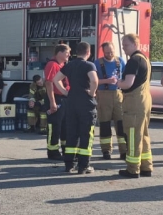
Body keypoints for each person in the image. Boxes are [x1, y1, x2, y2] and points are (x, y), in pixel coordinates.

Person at [55, 42, 98, 174]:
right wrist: (92, 93)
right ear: (88, 52)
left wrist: (65, 92)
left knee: (71, 133)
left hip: (71, 102)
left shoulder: (69, 65)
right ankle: (84, 166)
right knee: (86, 134)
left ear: (76, 52)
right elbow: (94, 80)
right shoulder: (89, 65)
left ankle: (69, 165)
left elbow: (56, 79)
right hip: (85, 103)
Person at [117, 34, 153, 178]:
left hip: (134, 102)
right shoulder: (144, 59)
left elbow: (127, 84)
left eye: (125, 44)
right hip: (144, 99)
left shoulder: (134, 61)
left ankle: (133, 169)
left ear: (134, 44)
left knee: (132, 135)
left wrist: (116, 82)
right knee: (143, 134)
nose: (123, 47)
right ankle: (146, 167)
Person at [96, 42, 127, 160]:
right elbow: (94, 81)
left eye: (111, 52)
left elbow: (125, 78)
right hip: (103, 94)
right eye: (107, 52)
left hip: (118, 95)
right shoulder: (97, 63)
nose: (110, 54)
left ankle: (123, 150)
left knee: (121, 124)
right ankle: (106, 150)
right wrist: (107, 81)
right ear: (103, 52)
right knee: (105, 124)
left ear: (115, 49)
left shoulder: (120, 61)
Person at [45, 44, 71, 160]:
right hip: (56, 98)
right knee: (54, 126)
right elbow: (49, 83)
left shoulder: (63, 65)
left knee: (65, 126)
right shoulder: (52, 64)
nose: (69, 55)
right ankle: (53, 151)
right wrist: (52, 102)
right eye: (67, 53)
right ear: (59, 53)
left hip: (64, 98)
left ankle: (65, 149)